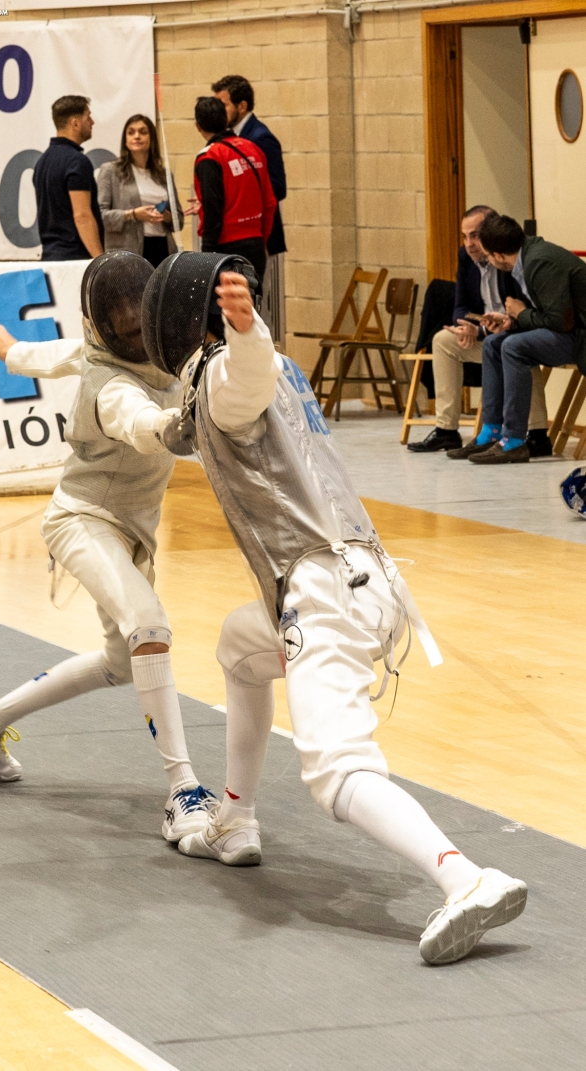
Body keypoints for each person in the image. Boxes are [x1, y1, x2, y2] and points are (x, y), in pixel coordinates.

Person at [139, 251, 528, 966]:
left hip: (321, 592)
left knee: (336, 770)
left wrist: (246, 329)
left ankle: (466, 876)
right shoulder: (269, 371)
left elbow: (237, 376)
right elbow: (183, 421)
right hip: (362, 580)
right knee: (239, 646)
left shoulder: (235, 371)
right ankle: (237, 818)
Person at [0, 252, 215, 843]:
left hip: (129, 533)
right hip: (82, 521)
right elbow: (137, 419)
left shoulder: (103, 349)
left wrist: (10, 349)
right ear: (104, 325)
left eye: (140, 315)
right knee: (150, 626)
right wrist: (172, 428)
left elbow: (49, 352)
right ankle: (183, 789)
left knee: (120, 662)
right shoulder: (110, 382)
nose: (135, 328)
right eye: (124, 320)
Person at [408, 206, 550, 456]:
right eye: (464, 236)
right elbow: (459, 304)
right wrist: (467, 327)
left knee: (514, 345)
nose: (469, 244)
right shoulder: (466, 257)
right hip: (485, 334)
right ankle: (446, 431)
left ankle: (537, 434)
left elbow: (524, 307)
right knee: (442, 340)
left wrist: (485, 329)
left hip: (512, 330)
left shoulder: (509, 257)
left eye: (474, 235)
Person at [458, 215, 586, 465]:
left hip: (580, 337)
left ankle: (514, 440)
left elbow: (561, 321)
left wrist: (520, 314)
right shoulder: (527, 257)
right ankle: (491, 431)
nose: (491, 263)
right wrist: (512, 320)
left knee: (513, 346)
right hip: (568, 332)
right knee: (494, 343)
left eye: (489, 257)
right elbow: (547, 314)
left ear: (498, 254)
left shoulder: (540, 261)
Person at [192, 96, 276, 285]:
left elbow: (213, 209)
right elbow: (270, 202)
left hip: (225, 250)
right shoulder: (253, 149)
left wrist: (208, 256)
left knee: (226, 313)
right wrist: (260, 241)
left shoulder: (209, 156)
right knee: (250, 311)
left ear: (198, 126)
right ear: (226, 119)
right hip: (255, 245)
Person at [211, 75, 287, 260]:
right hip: (238, 238)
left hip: (260, 236)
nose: (219, 112)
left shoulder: (260, 138)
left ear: (242, 106)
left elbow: (277, 188)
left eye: (224, 105)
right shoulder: (230, 137)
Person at [97, 114, 183, 268]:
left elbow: (180, 220)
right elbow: (102, 216)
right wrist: (134, 214)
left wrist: (167, 216)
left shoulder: (164, 174)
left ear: (152, 138)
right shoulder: (111, 171)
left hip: (163, 247)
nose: (137, 136)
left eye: (143, 132)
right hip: (129, 250)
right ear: (125, 140)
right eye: (131, 132)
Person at [33, 95, 104, 261]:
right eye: (88, 116)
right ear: (75, 123)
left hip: (49, 257)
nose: (92, 122)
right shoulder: (77, 162)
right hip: (74, 259)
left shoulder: (42, 162)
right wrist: (100, 261)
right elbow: (82, 216)